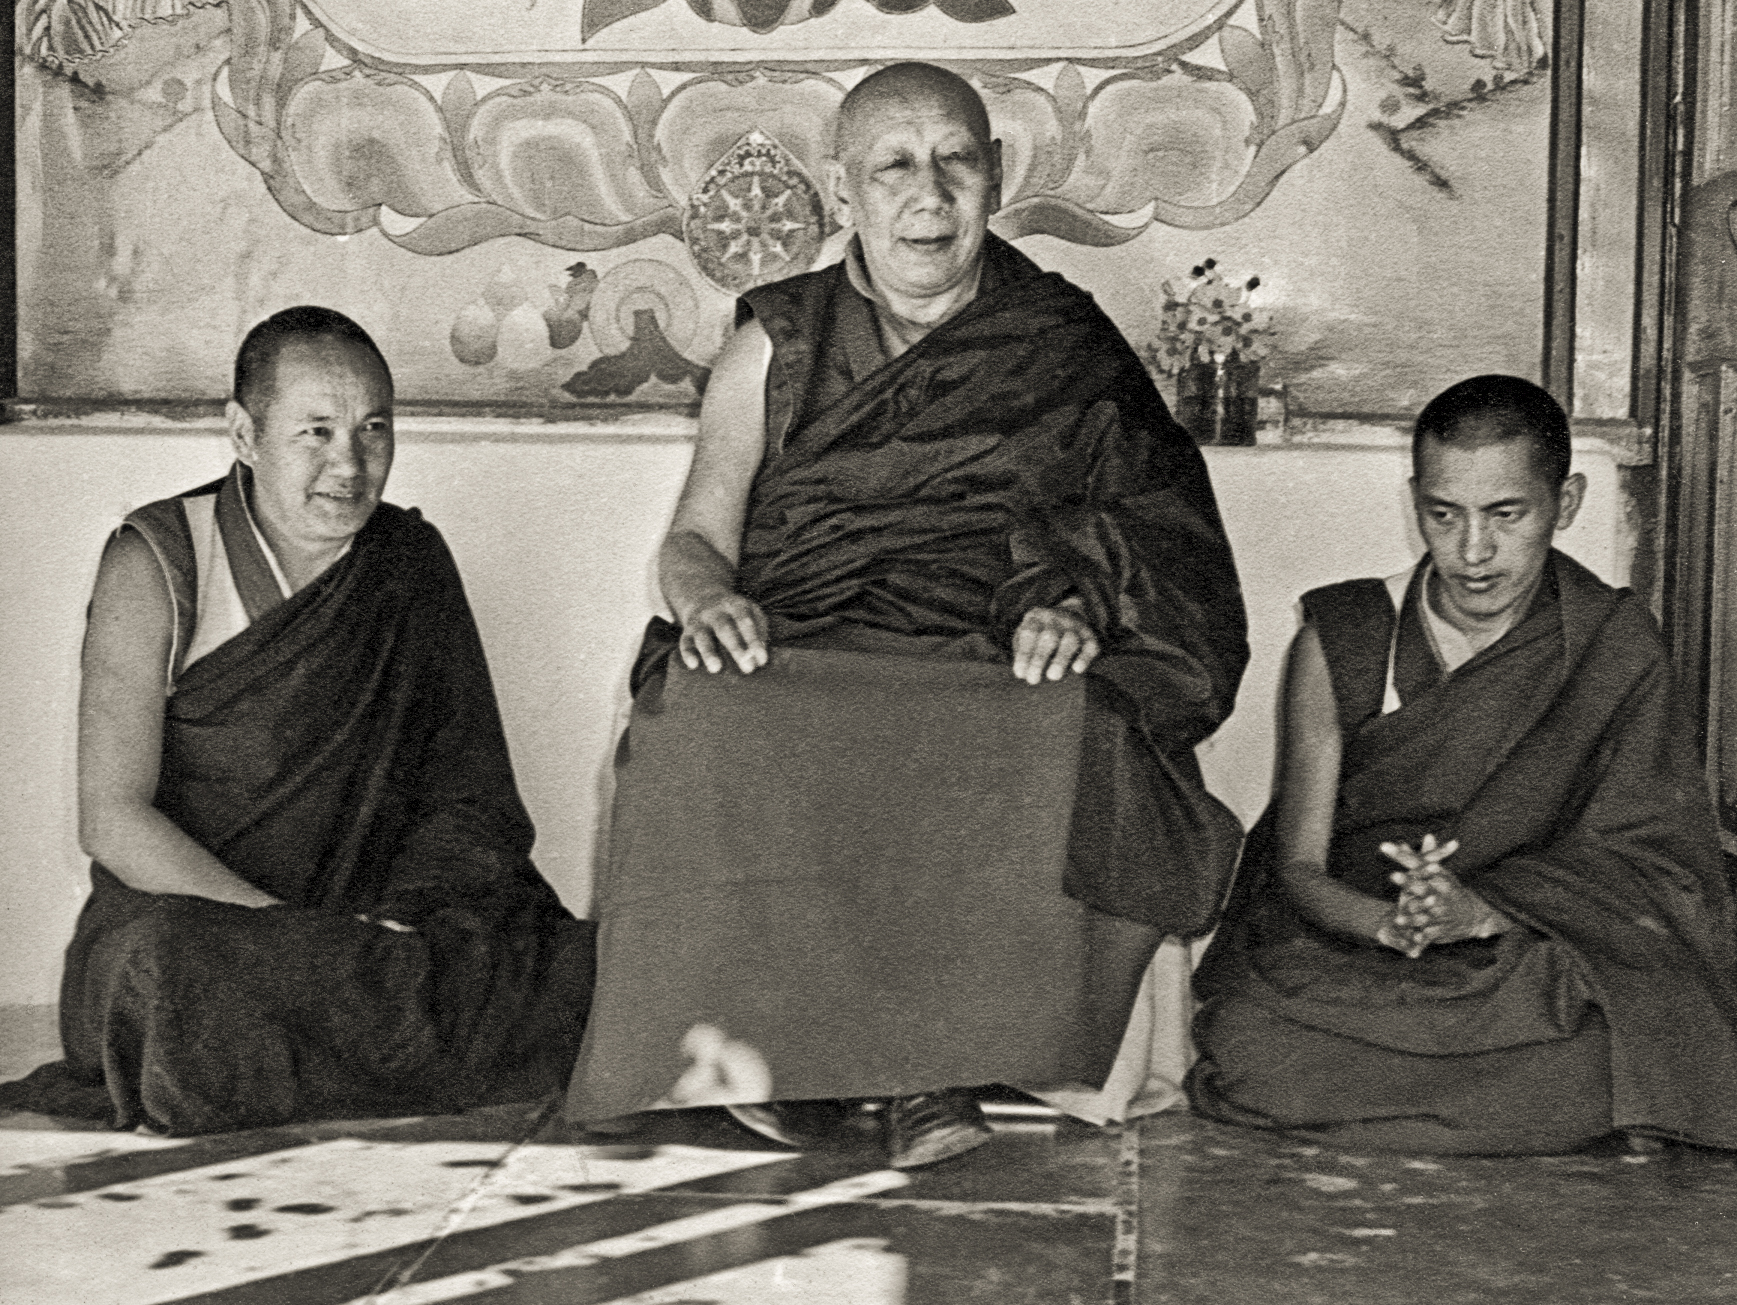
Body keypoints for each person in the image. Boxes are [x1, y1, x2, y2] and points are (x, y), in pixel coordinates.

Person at [566, 63, 1248, 1168]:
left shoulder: (1064, 344)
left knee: (1056, 721)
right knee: (699, 715)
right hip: (811, 640)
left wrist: (1074, 603)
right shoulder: (775, 346)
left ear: (995, 180)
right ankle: (764, 1058)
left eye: (957, 162)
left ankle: (934, 1070)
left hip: (983, 650)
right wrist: (708, 602)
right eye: (895, 165)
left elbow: (1155, 535)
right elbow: (696, 537)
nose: (928, 193)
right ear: (846, 193)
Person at [0, 307, 594, 1136]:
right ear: (243, 433)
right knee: (166, 973)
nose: (348, 464)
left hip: (369, 922)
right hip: (212, 923)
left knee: (568, 962)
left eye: (372, 430)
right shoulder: (159, 559)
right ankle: (373, 1038)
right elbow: (113, 819)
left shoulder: (408, 563)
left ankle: (329, 1036)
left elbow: (468, 798)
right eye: (315, 431)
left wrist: (407, 915)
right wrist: (284, 924)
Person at [1188, 374, 1737, 1154]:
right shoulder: (1344, 635)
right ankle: (1517, 1107)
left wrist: (1477, 910)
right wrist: (1393, 923)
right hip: (1357, 947)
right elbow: (1299, 869)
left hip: (1520, 948)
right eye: (1443, 516)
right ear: (1415, 501)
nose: (1472, 552)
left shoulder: (1612, 642)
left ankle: (1427, 1098)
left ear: (1566, 503)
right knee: (1246, 1038)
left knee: (1617, 1032)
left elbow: (1653, 863)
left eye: (1505, 516)